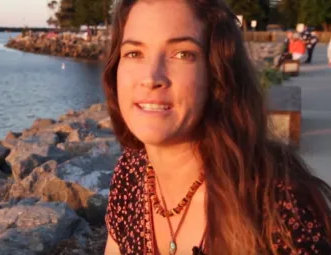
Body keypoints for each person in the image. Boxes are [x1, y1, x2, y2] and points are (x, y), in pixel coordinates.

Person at [103, 0, 331, 255]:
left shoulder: (279, 208)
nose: (151, 77)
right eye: (134, 53)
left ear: (217, 73)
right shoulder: (130, 174)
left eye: (182, 54)